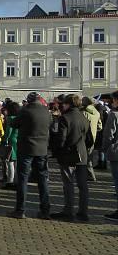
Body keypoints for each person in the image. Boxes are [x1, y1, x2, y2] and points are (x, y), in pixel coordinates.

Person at [8, 92, 52, 220]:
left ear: (28, 100)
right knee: (43, 180)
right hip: (42, 149)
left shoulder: (25, 111)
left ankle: (20, 210)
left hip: (26, 148)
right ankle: (45, 211)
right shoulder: (46, 111)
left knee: (23, 179)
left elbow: (14, 124)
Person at [51, 94, 90, 222]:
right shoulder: (84, 118)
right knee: (83, 185)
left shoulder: (65, 118)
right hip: (82, 154)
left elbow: (61, 139)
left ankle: (68, 211)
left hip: (68, 154)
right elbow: (90, 139)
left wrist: (57, 151)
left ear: (68, 104)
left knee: (68, 183)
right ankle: (83, 212)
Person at [102, 91, 118, 221]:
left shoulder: (114, 114)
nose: (112, 102)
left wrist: (106, 149)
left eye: (113, 100)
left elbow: (108, 135)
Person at [81, 97, 101, 181]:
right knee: (89, 156)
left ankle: (90, 175)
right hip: (93, 137)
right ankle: (89, 174)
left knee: (85, 158)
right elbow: (100, 126)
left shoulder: (83, 112)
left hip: (85, 137)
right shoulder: (96, 112)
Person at [1, 101, 20, 189]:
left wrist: (4, 140)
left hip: (11, 142)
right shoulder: (20, 117)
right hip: (18, 141)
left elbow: (9, 131)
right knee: (16, 163)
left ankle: (10, 182)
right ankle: (16, 181)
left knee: (10, 162)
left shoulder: (10, 118)